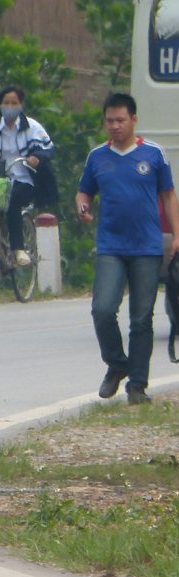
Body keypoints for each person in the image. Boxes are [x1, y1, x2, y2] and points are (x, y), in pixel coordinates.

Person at [76, 92, 179, 405]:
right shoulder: (97, 157)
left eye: (121, 120)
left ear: (134, 120)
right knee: (103, 308)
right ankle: (116, 362)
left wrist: (176, 234)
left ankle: (137, 385)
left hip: (146, 247)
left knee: (141, 318)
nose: (115, 126)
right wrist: (82, 207)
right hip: (111, 245)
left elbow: (168, 197)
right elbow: (84, 192)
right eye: (110, 120)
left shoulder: (154, 154)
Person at [0, 85, 57, 267]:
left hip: (24, 180)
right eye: (6, 102)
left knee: (12, 201)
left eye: (14, 103)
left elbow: (48, 149)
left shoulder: (31, 127)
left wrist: (36, 158)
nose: (10, 106)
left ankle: (18, 248)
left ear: (21, 105)